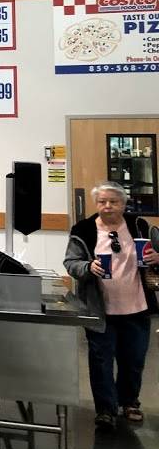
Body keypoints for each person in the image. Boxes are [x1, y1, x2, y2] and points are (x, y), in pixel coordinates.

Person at [64, 181, 159, 430]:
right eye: (102, 202)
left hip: (137, 307)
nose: (107, 206)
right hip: (100, 310)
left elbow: (157, 252)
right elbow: (71, 262)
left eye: (113, 202)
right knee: (101, 361)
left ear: (123, 204)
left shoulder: (139, 225)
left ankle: (129, 402)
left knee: (133, 360)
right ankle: (105, 409)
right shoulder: (83, 230)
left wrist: (157, 257)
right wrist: (88, 267)